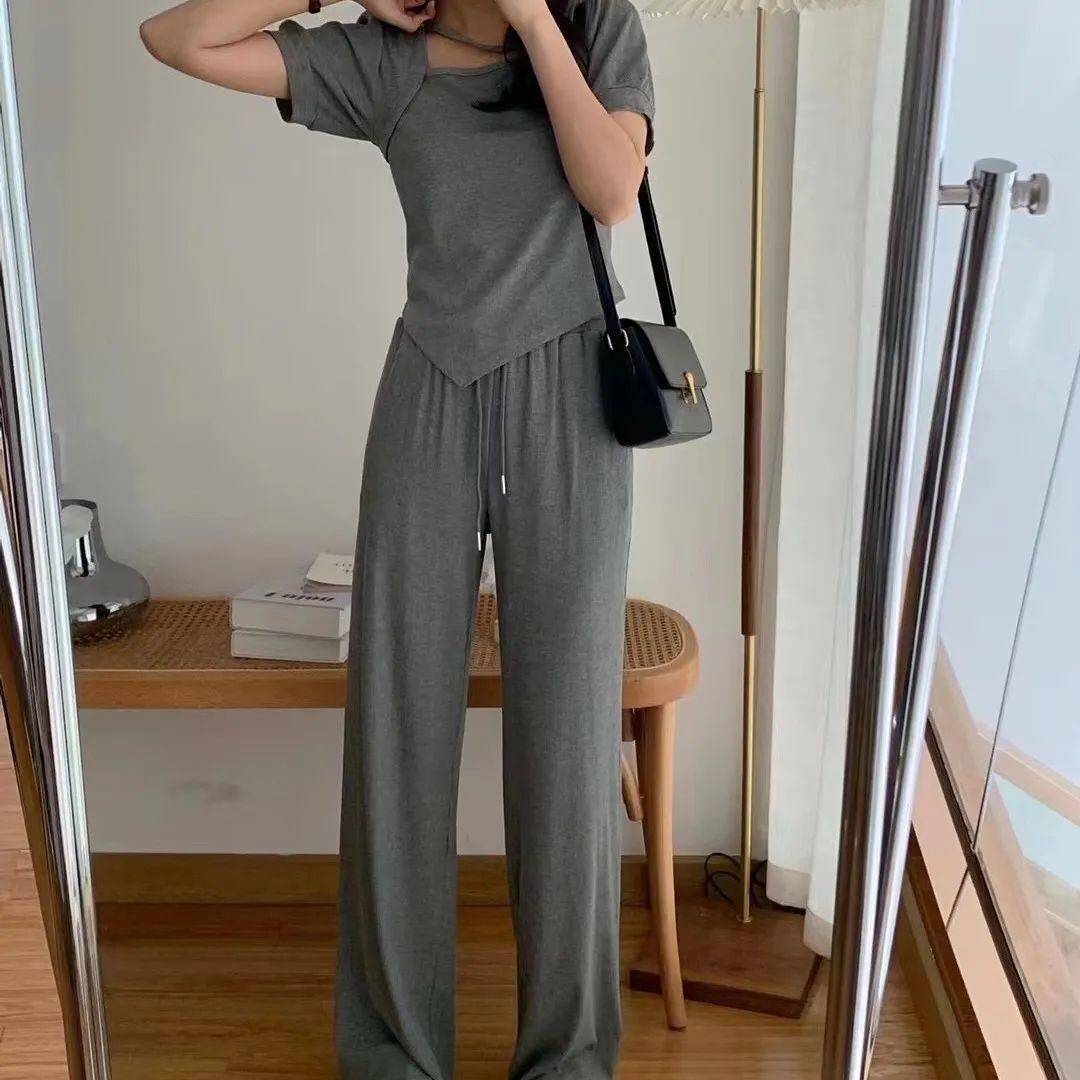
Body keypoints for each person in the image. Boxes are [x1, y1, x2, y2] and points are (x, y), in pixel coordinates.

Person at [139, 0, 654, 1075]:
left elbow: (613, 190)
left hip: (570, 396)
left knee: (566, 735)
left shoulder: (597, 21)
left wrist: (534, 22)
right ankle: (392, 1052)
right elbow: (177, 40)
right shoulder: (384, 61)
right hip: (430, 385)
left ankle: (567, 1058)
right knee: (398, 725)